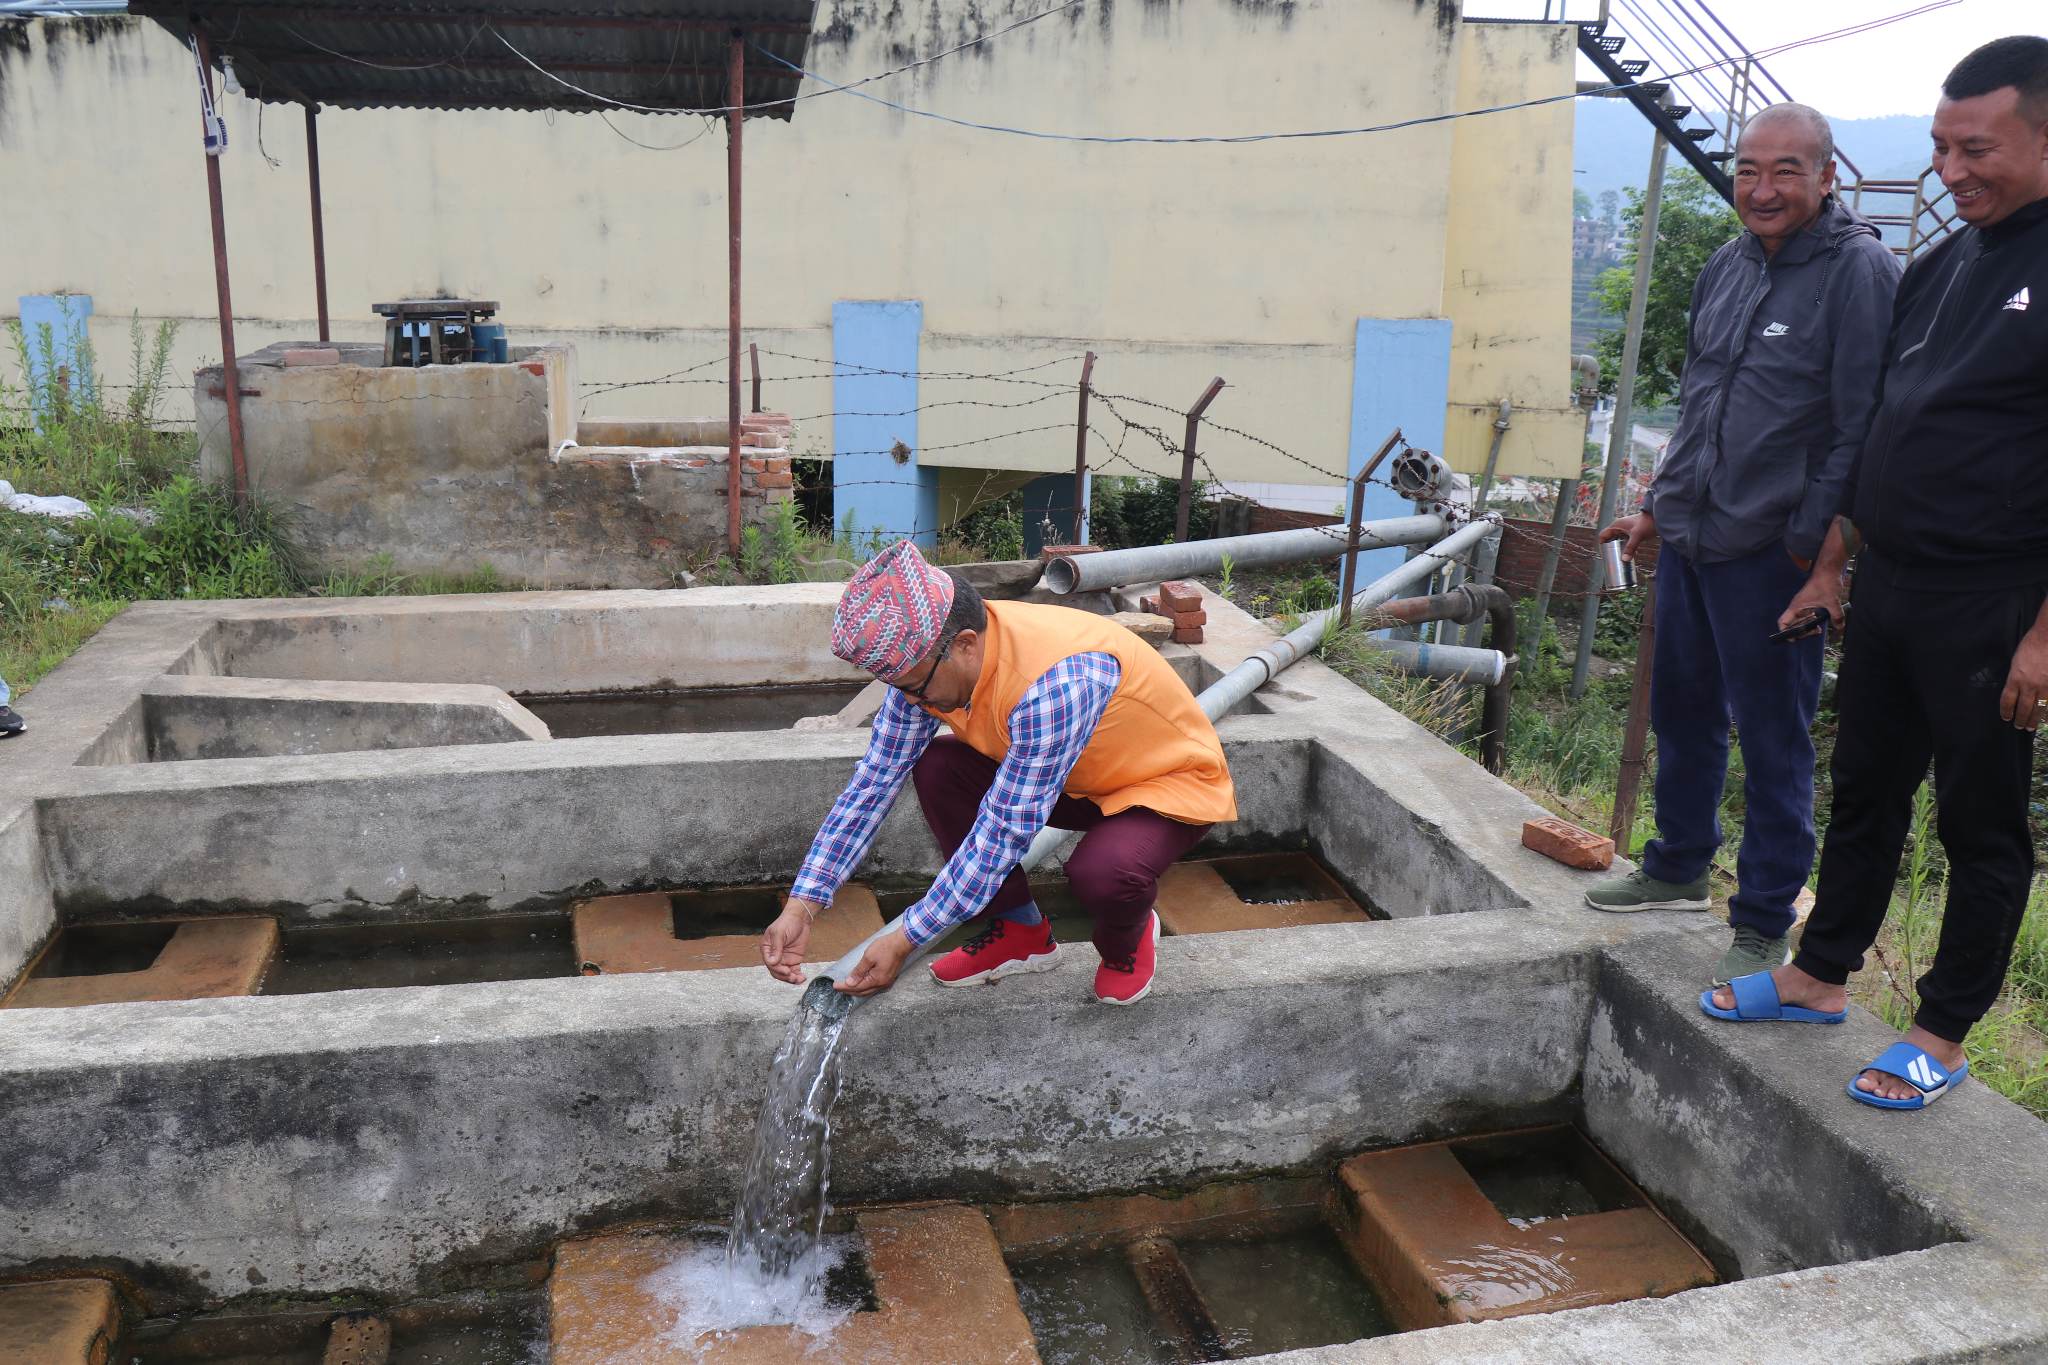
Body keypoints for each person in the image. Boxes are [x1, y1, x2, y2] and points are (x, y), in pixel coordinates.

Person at [1705, 36, 2048, 1111]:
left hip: (1993, 597)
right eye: (1939, 147)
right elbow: (1883, 426)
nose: (1948, 171)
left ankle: (1940, 1033)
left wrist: (2042, 636)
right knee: (1861, 790)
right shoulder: (1944, 262)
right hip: (1890, 582)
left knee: (1976, 822)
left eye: (1973, 149)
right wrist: (1832, 563)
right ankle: (1816, 975)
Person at [1590, 103, 1901, 988]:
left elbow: (1861, 429)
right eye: (1748, 171)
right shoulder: (1726, 265)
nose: (1762, 190)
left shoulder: (1859, 273)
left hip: (1778, 554)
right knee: (1682, 711)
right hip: (1694, 536)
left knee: (1774, 740)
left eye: (1786, 171)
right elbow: (1701, 407)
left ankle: (1764, 918)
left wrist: (1824, 555)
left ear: (1828, 176)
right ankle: (1678, 861)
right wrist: (1658, 509)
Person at [759, 540, 1235, 1005]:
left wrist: (907, 936)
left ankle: (1127, 942)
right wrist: (804, 903)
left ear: (964, 644)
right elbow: (873, 783)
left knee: (1103, 874)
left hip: (1163, 785)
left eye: (912, 685)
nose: (907, 700)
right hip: (1079, 781)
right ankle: (1020, 931)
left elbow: (1002, 830)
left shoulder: (1056, 683)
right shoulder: (930, 669)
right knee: (939, 766)